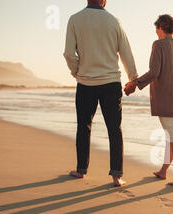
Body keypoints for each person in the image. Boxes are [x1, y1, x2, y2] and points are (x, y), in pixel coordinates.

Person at [63, 0, 138, 187]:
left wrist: (77, 72)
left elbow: (68, 54)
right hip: (111, 83)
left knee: (84, 127)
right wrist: (133, 78)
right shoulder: (114, 21)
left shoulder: (75, 19)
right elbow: (126, 52)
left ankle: (81, 170)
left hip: (86, 83)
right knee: (114, 129)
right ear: (104, 0)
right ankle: (116, 176)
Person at [125, 14, 173, 188]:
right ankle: (163, 171)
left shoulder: (158, 44)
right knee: (171, 136)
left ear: (161, 26)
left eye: (156, 28)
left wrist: (135, 83)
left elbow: (154, 72)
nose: (156, 32)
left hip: (167, 98)